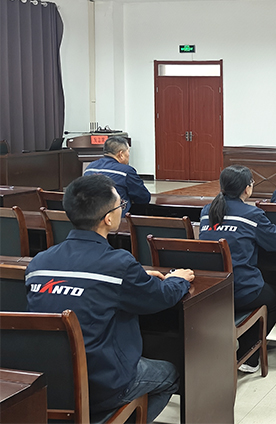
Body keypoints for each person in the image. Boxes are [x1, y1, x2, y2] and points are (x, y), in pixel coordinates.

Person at [25, 174, 194, 423]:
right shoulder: (118, 265)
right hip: (101, 385)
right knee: (170, 375)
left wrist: (134, 277)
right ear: (108, 218)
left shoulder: (39, 263)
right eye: (120, 205)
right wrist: (177, 279)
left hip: (48, 383)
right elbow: (161, 297)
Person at [199, 165, 276, 373]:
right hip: (241, 290)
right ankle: (250, 352)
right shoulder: (252, 214)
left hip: (211, 290)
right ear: (247, 189)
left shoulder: (207, 211)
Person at [84, 136, 151, 216]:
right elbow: (143, 197)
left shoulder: (89, 168)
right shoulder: (126, 171)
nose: (128, 155)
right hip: (116, 219)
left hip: (90, 216)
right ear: (121, 154)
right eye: (128, 151)